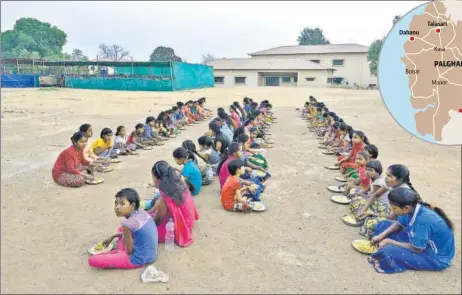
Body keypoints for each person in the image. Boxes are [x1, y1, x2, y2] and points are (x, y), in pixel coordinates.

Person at [368, 187, 455, 274]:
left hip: (433, 257)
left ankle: (387, 248)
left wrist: (390, 241)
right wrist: (381, 236)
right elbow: (399, 223)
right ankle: (384, 243)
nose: (391, 210)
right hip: (419, 239)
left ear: (406, 208)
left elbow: (418, 249)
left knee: (388, 251)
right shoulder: (412, 209)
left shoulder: (423, 221)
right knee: (383, 225)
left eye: (394, 208)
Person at [89, 188, 157, 269]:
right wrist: (113, 236)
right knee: (121, 229)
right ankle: (118, 251)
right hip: (152, 254)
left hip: (138, 259)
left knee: (92, 260)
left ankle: (118, 252)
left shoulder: (127, 224)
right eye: (116, 203)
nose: (117, 207)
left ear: (132, 206)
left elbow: (129, 251)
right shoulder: (142, 212)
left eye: (122, 204)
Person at [147, 161, 199, 247]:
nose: (152, 180)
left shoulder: (162, 202)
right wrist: (149, 212)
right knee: (156, 203)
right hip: (189, 220)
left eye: (153, 177)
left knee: (142, 231)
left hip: (181, 229)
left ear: (159, 179)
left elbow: (156, 222)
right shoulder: (179, 182)